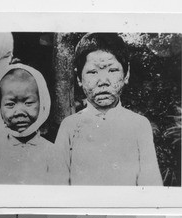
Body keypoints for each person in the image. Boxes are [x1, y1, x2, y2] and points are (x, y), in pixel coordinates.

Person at [55, 33, 163, 186]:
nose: (103, 81)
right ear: (79, 78)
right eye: (92, 72)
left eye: (112, 71)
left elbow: (151, 185)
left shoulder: (139, 125)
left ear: (127, 74)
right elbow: (58, 187)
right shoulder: (70, 127)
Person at [0, 64, 68, 184]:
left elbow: (59, 195)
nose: (19, 112)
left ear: (42, 103)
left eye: (28, 103)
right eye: (10, 104)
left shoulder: (52, 152)